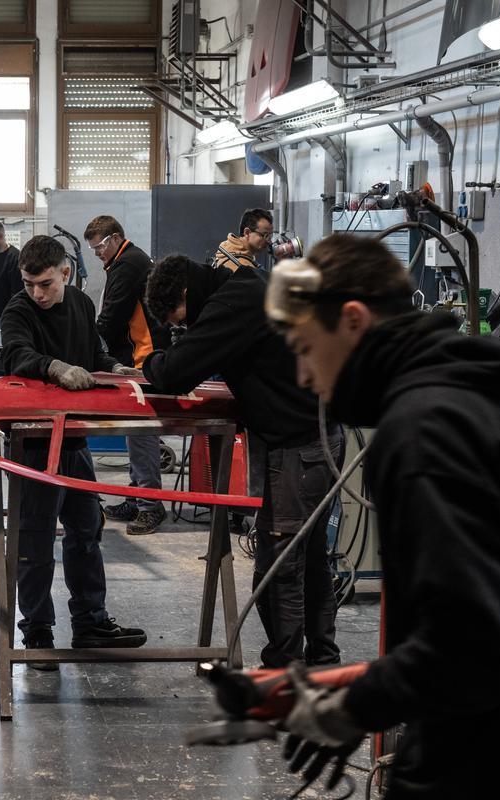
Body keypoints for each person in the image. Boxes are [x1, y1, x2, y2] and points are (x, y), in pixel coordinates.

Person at [268, 233, 500, 797]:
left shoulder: (426, 429)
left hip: (486, 762)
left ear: (352, 320)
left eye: (305, 348)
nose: (304, 376)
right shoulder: (494, 400)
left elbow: (472, 645)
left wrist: (353, 706)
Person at [142, 254, 340, 669]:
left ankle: (283, 669)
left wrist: (150, 360)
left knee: (281, 561)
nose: (182, 327)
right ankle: (322, 659)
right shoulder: (249, 284)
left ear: (185, 294)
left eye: (178, 318)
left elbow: (176, 372)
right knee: (311, 555)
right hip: (319, 439)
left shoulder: (231, 305)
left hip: (296, 448)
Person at [1, 234, 147, 669]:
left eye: (44, 283)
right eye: (29, 284)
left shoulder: (82, 305)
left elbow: (95, 352)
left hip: (76, 442)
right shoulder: (18, 310)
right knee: (35, 540)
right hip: (36, 444)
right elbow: (15, 353)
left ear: (65, 273)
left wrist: (116, 369)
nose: (37, 293)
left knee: (86, 532)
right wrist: (54, 366)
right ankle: (38, 633)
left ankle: (90, 621)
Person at [85, 215, 169, 535]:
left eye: (100, 247)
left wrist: (86, 341)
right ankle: (138, 496)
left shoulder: (129, 264)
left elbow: (111, 316)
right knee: (136, 430)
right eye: (93, 249)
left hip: (142, 358)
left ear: (116, 238)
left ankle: (150, 504)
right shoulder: (125, 260)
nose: (97, 254)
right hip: (134, 355)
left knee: (142, 429)